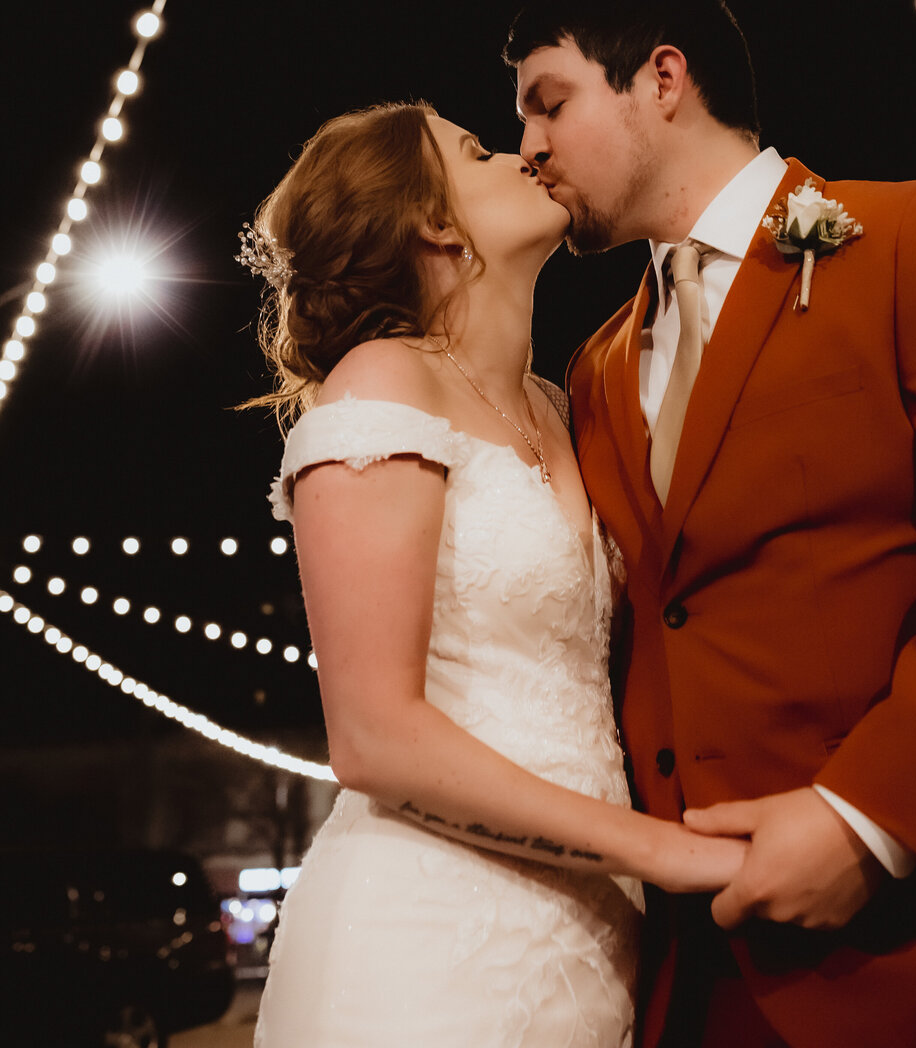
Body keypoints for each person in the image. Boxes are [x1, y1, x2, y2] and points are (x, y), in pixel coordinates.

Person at [506, 0, 916, 1048]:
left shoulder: (912, 237)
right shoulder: (596, 367)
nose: (528, 149)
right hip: (706, 973)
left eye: (548, 101)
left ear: (663, 78)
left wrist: (870, 820)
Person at [239, 101, 745, 1048]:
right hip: (426, 946)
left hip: (589, 951)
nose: (520, 154)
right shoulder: (382, 382)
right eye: (475, 151)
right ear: (431, 221)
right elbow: (375, 739)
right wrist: (663, 851)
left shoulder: (561, 406)